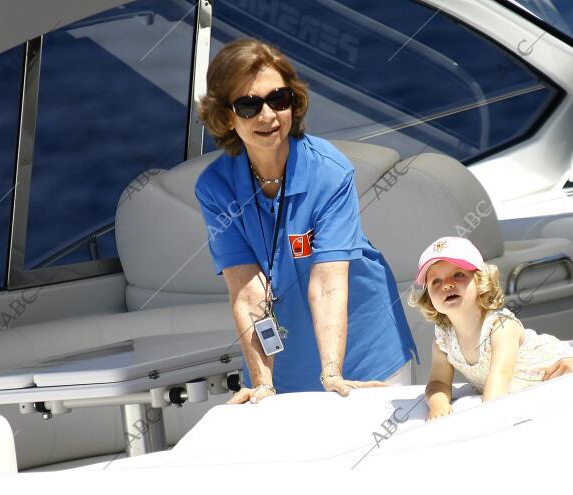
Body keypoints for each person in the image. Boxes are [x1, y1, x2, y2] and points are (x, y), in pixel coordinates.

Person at [194, 39, 418, 404]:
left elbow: (328, 284)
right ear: (226, 117)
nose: (267, 115)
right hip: (287, 362)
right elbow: (248, 292)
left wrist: (332, 371)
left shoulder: (329, 172)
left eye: (278, 100)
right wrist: (262, 383)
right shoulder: (215, 187)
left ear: (292, 103)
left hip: (366, 352)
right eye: (249, 105)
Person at [409, 236, 573, 420]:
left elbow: (499, 381)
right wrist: (439, 405)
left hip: (560, 369)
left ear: (481, 282)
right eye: (435, 281)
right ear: (428, 298)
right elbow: (437, 383)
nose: (447, 284)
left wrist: (485, 421)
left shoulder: (500, 328)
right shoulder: (443, 341)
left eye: (458, 275)